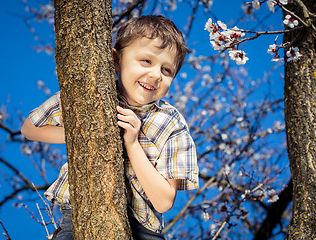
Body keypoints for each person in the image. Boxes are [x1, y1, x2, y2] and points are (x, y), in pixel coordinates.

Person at [21, 15, 199, 240]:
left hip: (142, 230)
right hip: (80, 214)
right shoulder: (88, 93)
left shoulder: (170, 122)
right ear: (116, 60)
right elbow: (29, 129)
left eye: (167, 70)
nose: (155, 75)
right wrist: (80, 133)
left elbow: (164, 202)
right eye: (146, 61)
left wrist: (132, 144)